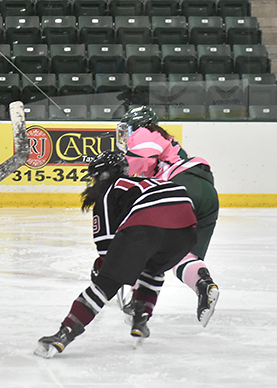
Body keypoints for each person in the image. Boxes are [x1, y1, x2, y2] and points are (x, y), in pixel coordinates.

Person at [35, 151, 197, 358]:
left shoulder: (110, 190)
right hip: (186, 229)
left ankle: (63, 334)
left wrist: (104, 271)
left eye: (95, 177)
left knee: (105, 284)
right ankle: (141, 318)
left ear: (103, 175)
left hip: (148, 223)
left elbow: (107, 248)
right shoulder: (146, 181)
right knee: (154, 268)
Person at [117, 105, 220, 326]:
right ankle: (204, 285)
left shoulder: (146, 133)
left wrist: (116, 172)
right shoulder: (167, 145)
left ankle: (137, 300)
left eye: (127, 128)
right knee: (185, 255)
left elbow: (143, 160)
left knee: (150, 245)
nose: (126, 134)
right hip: (206, 193)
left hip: (181, 187)